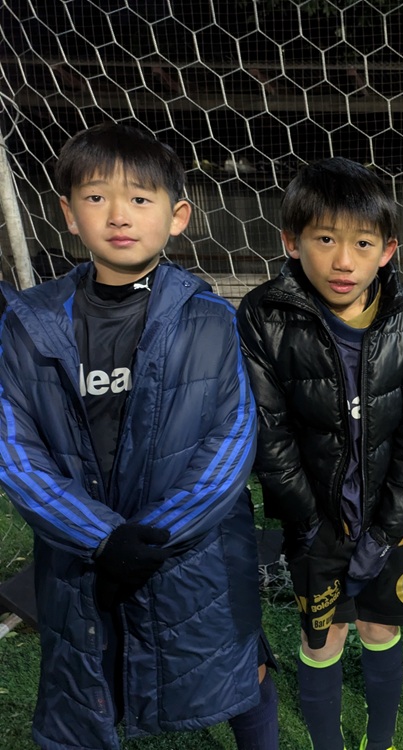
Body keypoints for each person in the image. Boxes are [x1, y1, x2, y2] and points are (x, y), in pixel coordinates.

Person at [0, 123, 277, 750]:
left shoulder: (210, 318)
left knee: (238, 668)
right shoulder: (27, 324)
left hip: (191, 552)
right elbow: (15, 453)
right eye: (97, 197)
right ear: (68, 213)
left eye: (141, 198)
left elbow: (232, 439)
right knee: (85, 691)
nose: (119, 215)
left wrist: (153, 536)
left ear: (177, 217)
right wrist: (101, 537)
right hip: (79, 553)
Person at [237, 156, 403, 750]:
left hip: (389, 520)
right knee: (322, 637)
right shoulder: (263, 315)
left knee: (380, 628)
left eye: (362, 243)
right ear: (291, 242)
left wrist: (388, 529)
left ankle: (380, 742)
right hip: (315, 523)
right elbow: (268, 432)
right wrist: (306, 522)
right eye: (325, 239)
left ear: (388, 251)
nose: (343, 261)